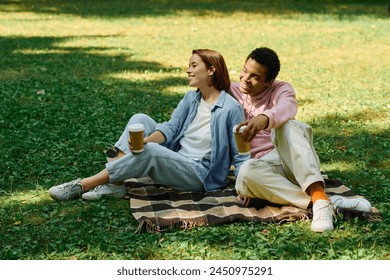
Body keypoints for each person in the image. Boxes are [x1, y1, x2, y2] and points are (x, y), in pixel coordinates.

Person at [48, 49, 249, 201]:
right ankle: (117, 183)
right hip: (177, 155)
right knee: (140, 119)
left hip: (199, 173)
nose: (188, 70)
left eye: (194, 66)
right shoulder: (191, 98)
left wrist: (246, 187)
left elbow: (241, 155)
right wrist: (145, 141)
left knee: (151, 151)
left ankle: (82, 185)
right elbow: (171, 128)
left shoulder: (231, 108)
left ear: (211, 70)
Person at [231, 47, 372, 232]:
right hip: (263, 166)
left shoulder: (281, 88)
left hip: (293, 159)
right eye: (244, 70)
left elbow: (287, 108)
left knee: (287, 126)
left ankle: (318, 195)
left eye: (255, 77)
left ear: (269, 82)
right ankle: (322, 202)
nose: (245, 79)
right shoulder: (232, 90)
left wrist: (264, 119)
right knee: (246, 173)